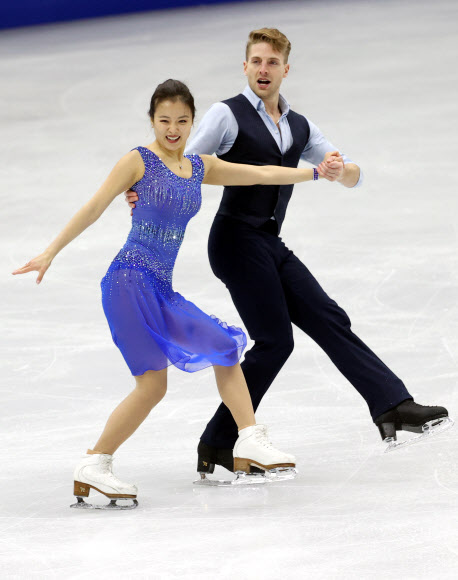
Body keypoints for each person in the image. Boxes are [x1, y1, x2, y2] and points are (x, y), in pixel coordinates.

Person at [124, 29, 451, 478]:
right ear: (245, 67)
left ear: (285, 69)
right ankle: (217, 441)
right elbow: (183, 164)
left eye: (272, 63)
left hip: (269, 241)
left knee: (328, 317)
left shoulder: (299, 126)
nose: (264, 70)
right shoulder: (227, 114)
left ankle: (391, 404)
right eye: (257, 61)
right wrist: (144, 190)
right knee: (275, 341)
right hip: (235, 242)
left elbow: (351, 174)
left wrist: (338, 170)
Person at [12, 79, 326, 509]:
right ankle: (94, 463)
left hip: (161, 287)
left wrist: (315, 171)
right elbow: (94, 205)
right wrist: (50, 251)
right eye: (164, 121)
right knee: (151, 386)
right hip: (127, 283)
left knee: (222, 346)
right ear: (152, 121)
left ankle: (250, 438)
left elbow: (260, 174)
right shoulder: (138, 161)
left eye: (181, 121)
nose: (173, 129)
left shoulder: (199, 166)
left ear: (193, 122)